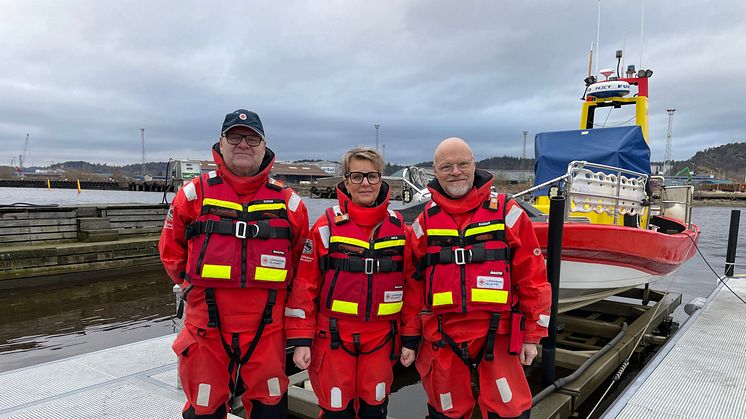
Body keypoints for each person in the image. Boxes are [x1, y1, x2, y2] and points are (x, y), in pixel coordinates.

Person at [160, 109, 309, 419]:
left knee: (270, 409)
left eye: (252, 137)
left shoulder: (289, 204)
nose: (244, 144)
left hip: (267, 330)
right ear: (221, 142)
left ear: (264, 145)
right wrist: (194, 290)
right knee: (204, 409)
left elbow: (300, 267)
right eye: (235, 136)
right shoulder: (192, 196)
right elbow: (171, 253)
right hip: (207, 330)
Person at [400, 137, 551, 419]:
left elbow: (533, 279)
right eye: (446, 166)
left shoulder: (508, 214)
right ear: (435, 170)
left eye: (461, 164)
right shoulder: (423, 224)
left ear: (474, 165)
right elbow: (413, 288)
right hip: (443, 339)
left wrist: (532, 335)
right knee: (446, 412)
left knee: (509, 411)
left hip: (499, 338)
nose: (455, 171)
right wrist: (409, 338)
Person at [285, 146, 413, 418]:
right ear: (346, 181)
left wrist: (411, 339)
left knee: (374, 408)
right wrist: (300, 340)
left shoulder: (400, 228)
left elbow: (413, 288)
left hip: (381, 339)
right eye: (357, 176)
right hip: (332, 338)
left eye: (372, 176)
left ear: (381, 180)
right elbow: (304, 287)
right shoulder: (325, 227)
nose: (365, 183)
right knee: (335, 409)